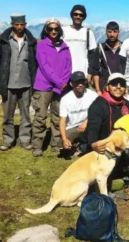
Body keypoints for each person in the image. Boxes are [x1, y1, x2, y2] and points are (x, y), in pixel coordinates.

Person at [0, 13, 38, 151]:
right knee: (8, 115)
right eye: (16, 25)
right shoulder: (3, 40)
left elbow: (35, 61)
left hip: (26, 83)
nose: (19, 27)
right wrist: (3, 74)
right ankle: (8, 140)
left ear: (25, 24)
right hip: (8, 83)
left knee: (26, 115)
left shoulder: (30, 41)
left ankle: (25, 140)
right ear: (12, 25)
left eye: (22, 24)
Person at [32, 19, 72, 157]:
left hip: (60, 87)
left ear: (59, 30)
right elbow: (44, 66)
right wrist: (59, 82)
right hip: (44, 86)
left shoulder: (65, 47)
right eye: (50, 29)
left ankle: (56, 143)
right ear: (46, 30)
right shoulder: (42, 45)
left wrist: (64, 82)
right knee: (40, 116)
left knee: (57, 116)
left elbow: (68, 67)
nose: (53, 31)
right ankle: (37, 145)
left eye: (56, 29)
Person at [59, 71, 98, 156]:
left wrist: (86, 122)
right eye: (77, 82)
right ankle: (78, 145)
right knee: (61, 144)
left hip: (89, 124)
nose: (80, 85)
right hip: (73, 127)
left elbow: (99, 113)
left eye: (82, 82)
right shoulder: (65, 99)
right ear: (71, 84)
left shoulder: (93, 95)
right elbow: (62, 121)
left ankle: (83, 146)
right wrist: (64, 139)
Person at [62, 5, 96, 78]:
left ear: (84, 17)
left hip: (83, 73)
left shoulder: (88, 32)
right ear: (71, 15)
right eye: (75, 14)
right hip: (65, 73)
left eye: (81, 15)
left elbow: (92, 56)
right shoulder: (63, 31)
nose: (78, 16)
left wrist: (90, 73)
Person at [89, 21, 123, 95]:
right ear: (106, 32)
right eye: (109, 32)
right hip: (104, 88)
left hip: (120, 87)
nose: (112, 34)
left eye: (115, 32)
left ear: (118, 33)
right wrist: (98, 90)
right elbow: (96, 70)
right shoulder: (100, 48)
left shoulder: (123, 48)